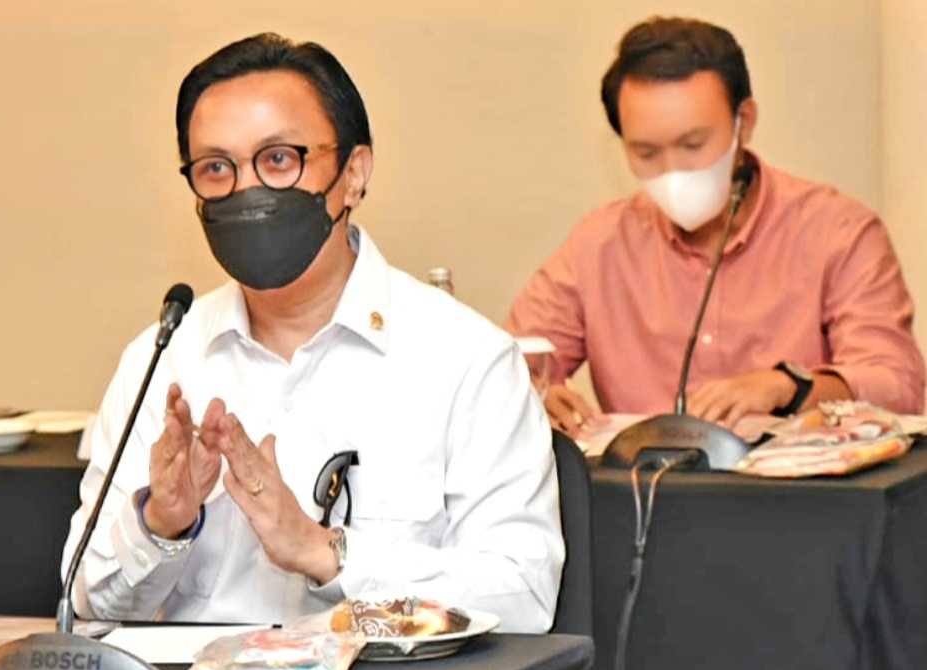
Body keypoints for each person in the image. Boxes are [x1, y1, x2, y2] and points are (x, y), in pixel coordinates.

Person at [62, 33, 563, 632]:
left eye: (279, 160)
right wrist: (160, 524)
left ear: (353, 174)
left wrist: (325, 553)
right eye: (216, 168)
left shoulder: (465, 359)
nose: (246, 190)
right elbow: (83, 603)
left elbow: (523, 595)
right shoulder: (164, 359)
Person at [506, 16, 925, 437]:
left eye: (693, 145)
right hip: (646, 479)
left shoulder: (838, 231)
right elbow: (503, 362)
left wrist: (788, 387)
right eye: (646, 152)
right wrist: (534, 395)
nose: (672, 170)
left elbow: (898, 385)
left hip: (802, 479)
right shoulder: (599, 244)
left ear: (745, 122)